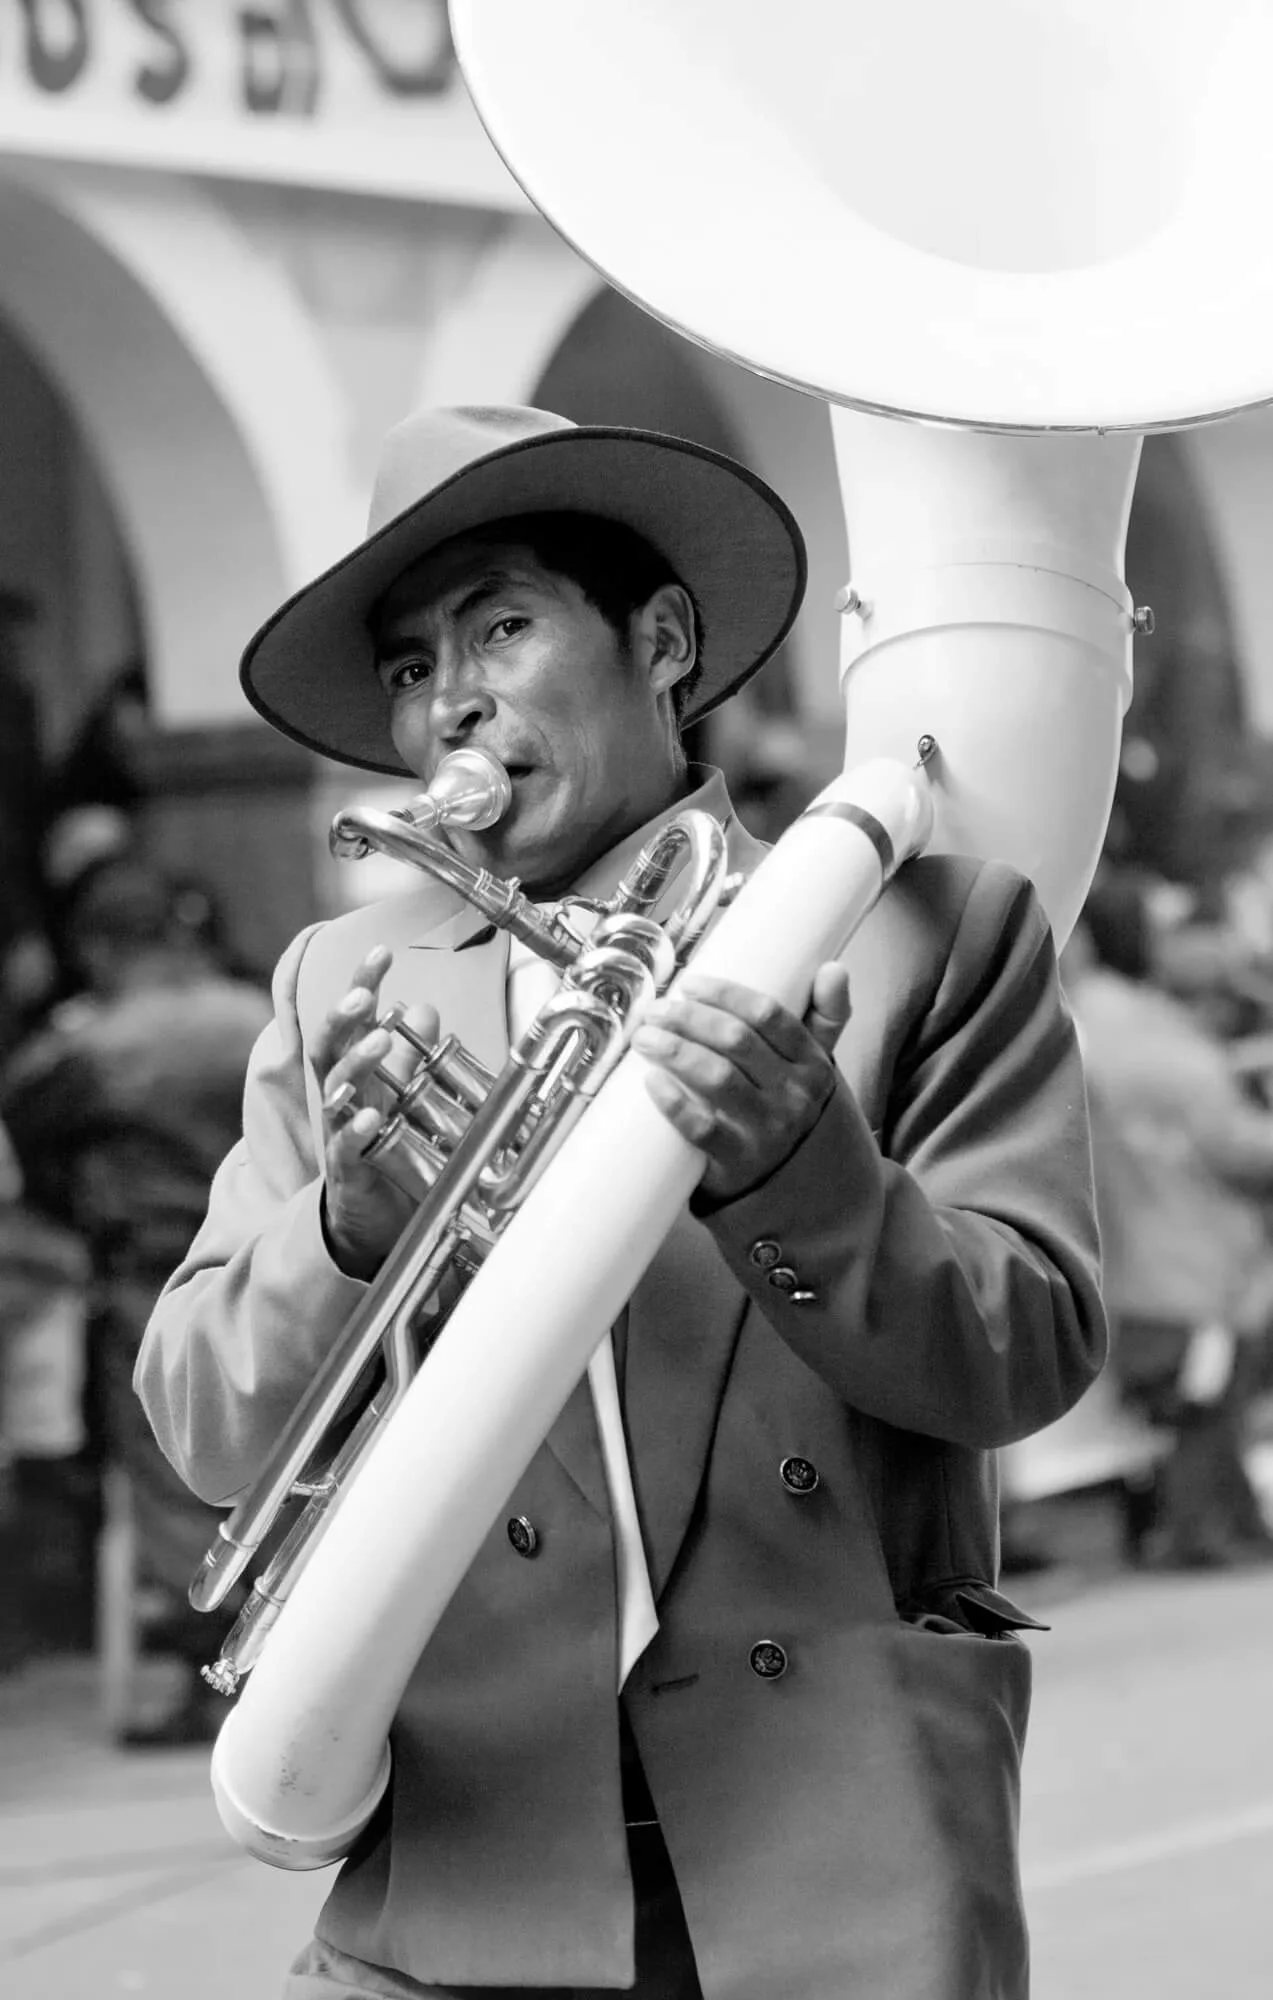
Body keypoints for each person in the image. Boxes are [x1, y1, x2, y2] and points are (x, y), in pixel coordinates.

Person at [136, 405, 1105, 2000]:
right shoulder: (340, 984)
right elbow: (199, 1422)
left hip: (840, 1861)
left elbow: (1027, 1352)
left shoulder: (916, 932)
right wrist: (351, 1242)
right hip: (459, 1869)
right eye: (407, 665)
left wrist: (803, 1166)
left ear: (661, 641)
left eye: (502, 626)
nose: (450, 701)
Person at [1, 857, 271, 1740]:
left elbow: (28, 1150)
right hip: (287, 1263)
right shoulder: (263, 1012)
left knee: (177, 1468)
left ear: (99, 949)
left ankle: (217, 1671)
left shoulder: (86, 1048)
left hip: (152, 1282)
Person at [1065, 868, 1273, 1570]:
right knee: (1204, 1397)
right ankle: (1195, 1533)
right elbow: (1229, 1141)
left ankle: (1226, 1522)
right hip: (1182, 1258)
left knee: (1207, 1395)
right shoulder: (1140, 1032)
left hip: (1158, 1253)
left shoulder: (1101, 1019)